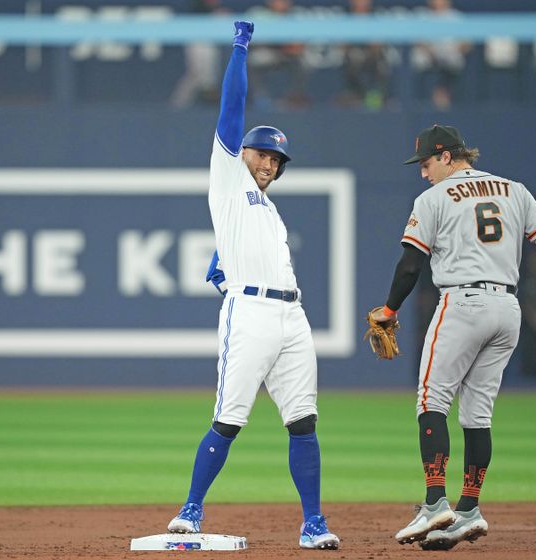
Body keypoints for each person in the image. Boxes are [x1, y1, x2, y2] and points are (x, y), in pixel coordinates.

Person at [369, 124, 536, 550]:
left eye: (427, 162)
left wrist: (390, 308)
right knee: (477, 413)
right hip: (507, 311)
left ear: (448, 156)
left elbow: (411, 266)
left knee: (431, 400)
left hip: (463, 303)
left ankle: (436, 500)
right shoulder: (515, 189)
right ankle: (469, 509)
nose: (423, 172)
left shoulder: (433, 198)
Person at [166, 21, 340, 551]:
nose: (269, 163)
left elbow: (244, 255)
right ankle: (190, 510)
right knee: (228, 420)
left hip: (292, 318)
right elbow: (231, 110)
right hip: (251, 317)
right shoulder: (228, 177)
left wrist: (222, 265)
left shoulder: (270, 211)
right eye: (263, 153)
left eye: (277, 160)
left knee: (303, 422)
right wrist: (240, 49)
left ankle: (313, 524)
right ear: (242, 154)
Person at [410, 0, 471, 110]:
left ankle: (443, 101)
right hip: (427, 63)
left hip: (451, 63)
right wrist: (431, 51)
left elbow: (467, 44)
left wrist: (453, 51)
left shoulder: (457, 18)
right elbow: (416, 40)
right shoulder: (422, 16)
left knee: (451, 67)